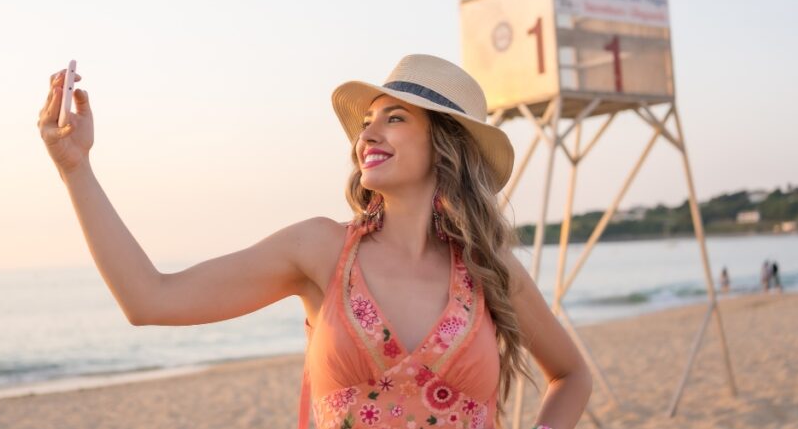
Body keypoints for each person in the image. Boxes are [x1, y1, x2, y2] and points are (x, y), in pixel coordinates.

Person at [37, 54, 592, 429]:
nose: (367, 134)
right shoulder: (320, 251)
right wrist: (75, 170)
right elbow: (149, 299)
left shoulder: (488, 272)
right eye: (367, 121)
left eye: (393, 118)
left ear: (445, 145)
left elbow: (571, 376)